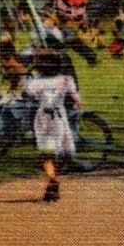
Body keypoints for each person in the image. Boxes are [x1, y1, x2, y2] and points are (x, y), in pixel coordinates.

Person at [23, 50, 83, 202]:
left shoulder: (36, 82)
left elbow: (26, 94)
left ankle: (52, 178)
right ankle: (52, 184)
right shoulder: (65, 80)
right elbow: (76, 97)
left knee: (46, 154)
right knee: (62, 152)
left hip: (43, 119)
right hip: (60, 118)